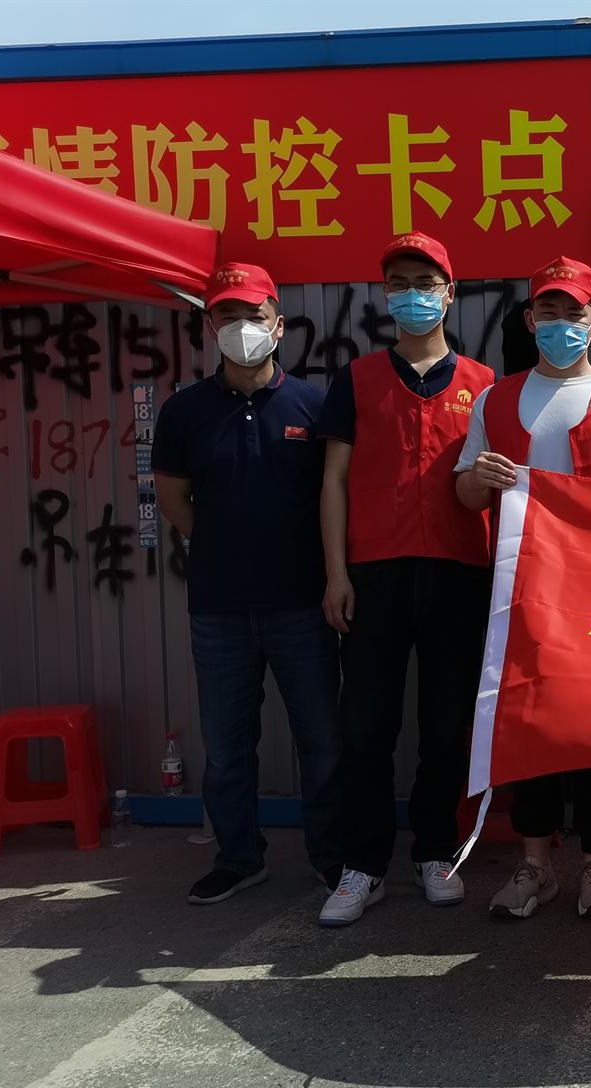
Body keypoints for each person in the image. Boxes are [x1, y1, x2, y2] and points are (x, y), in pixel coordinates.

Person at [455, 256, 591, 919]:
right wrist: (479, 479)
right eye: (547, 312)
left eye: (572, 312)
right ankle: (535, 866)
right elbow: (465, 495)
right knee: (528, 731)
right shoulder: (495, 400)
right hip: (519, 599)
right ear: (530, 321)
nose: (560, 323)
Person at [314, 232, 495, 927]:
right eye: (399, 283)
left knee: (446, 728)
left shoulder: (484, 384)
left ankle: (435, 850)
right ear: (384, 296)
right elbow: (333, 481)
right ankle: (362, 865)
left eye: (425, 282)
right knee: (366, 729)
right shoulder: (357, 379)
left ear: (450, 293)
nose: (412, 294)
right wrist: (336, 573)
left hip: (459, 572)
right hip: (374, 574)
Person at [154, 262, 343, 905]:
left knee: (322, 741)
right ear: (211, 328)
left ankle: (332, 858)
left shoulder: (314, 406)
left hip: (303, 605)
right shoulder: (184, 411)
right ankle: (238, 857)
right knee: (227, 746)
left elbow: (336, 496)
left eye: (253, 316)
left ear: (278, 325)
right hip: (219, 608)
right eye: (227, 317)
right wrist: (225, 545)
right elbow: (174, 501)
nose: (241, 328)